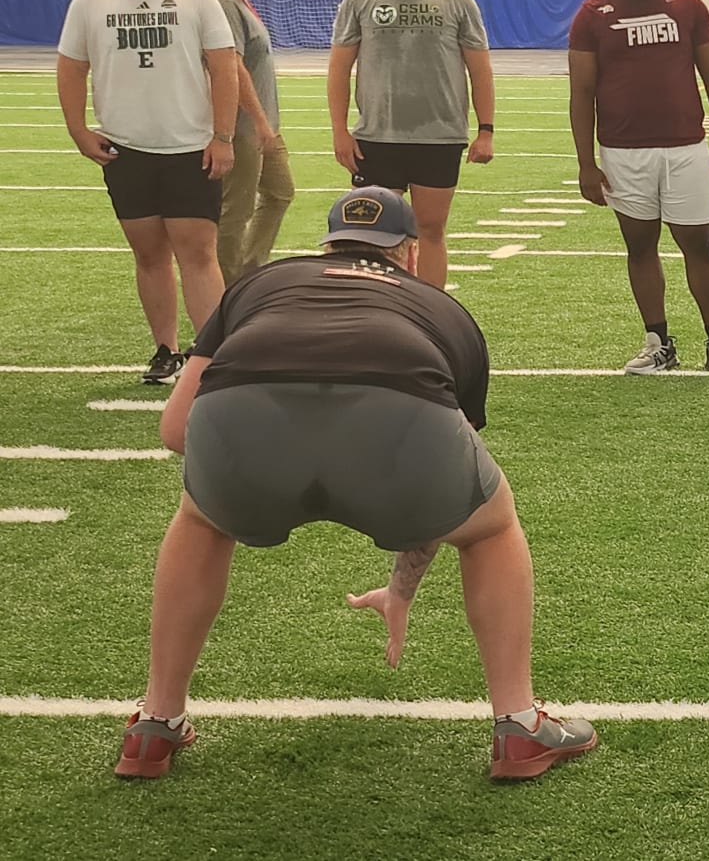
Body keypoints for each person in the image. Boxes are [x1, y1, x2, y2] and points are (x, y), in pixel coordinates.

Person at [114, 186, 596, 782]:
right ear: (410, 254)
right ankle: (519, 728)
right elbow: (441, 496)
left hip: (244, 416)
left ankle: (155, 724)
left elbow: (173, 430)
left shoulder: (260, 284)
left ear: (325, 246)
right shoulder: (440, 308)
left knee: (200, 518)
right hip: (399, 417)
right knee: (490, 526)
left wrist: (263, 457)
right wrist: (402, 588)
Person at [56, 0, 238, 384]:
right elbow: (72, 67)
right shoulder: (91, 2)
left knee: (198, 254)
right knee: (149, 254)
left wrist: (222, 137)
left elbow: (223, 67)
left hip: (190, 147)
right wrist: (78, 130)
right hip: (125, 149)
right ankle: (166, 350)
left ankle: (211, 355)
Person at [568, 0, 709, 376]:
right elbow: (581, 93)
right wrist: (586, 163)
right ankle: (657, 342)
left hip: (686, 147)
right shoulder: (592, 15)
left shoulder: (686, 6)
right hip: (622, 151)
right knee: (640, 245)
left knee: (700, 245)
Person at [327, 0, 495, 289]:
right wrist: (340, 130)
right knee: (370, 235)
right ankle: (379, 309)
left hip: (438, 136)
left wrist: (486, 129)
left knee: (431, 231)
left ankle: (431, 314)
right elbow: (339, 69)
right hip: (376, 137)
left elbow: (480, 70)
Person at [212, 0, 295, 283]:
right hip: (243, 130)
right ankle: (226, 289)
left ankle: (249, 272)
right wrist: (260, 124)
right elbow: (233, 66)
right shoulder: (223, 3)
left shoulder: (242, 3)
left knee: (279, 192)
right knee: (236, 211)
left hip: (261, 127)